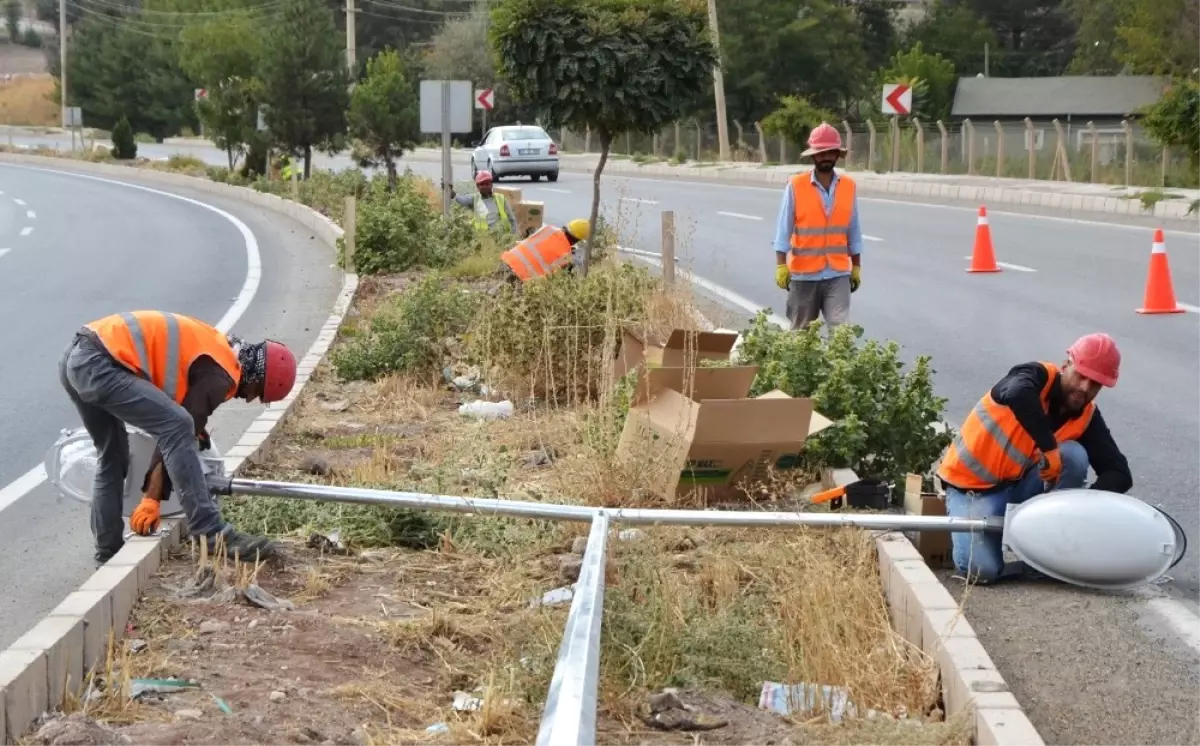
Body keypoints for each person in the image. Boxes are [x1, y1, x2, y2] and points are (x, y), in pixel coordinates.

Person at [58, 311, 299, 564]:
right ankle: (210, 532)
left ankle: (107, 555)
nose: (250, 398)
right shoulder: (221, 374)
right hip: (99, 363)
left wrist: (193, 427)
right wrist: (152, 497)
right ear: (257, 375)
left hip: (76, 357)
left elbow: (177, 415)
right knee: (178, 425)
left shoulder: (220, 348)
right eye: (258, 393)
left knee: (113, 455)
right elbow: (177, 427)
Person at [937, 333, 1132, 584]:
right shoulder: (1033, 376)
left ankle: (1043, 554)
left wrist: (1084, 510)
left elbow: (1119, 473)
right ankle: (997, 541)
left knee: (1073, 456)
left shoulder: (1086, 416)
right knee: (981, 571)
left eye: (1095, 383)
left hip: (1020, 492)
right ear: (1066, 366)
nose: (1085, 388)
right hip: (971, 489)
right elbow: (1018, 394)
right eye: (1081, 376)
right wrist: (1049, 448)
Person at [773, 122, 863, 331]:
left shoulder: (848, 186)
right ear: (813, 155)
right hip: (804, 275)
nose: (826, 157)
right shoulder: (796, 186)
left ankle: (837, 365)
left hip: (837, 274)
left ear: (837, 155)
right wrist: (781, 265)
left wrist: (856, 266)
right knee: (801, 335)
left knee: (841, 333)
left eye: (830, 152)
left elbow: (854, 231)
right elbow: (783, 230)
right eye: (821, 153)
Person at [499, 218, 591, 283]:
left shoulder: (548, 229)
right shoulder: (566, 254)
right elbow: (557, 279)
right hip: (521, 277)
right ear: (577, 240)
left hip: (507, 261)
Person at [455, 170, 517, 234]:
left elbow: (512, 219)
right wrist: (451, 193)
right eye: (482, 184)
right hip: (482, 237)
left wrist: (513, 236)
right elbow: (462, 200)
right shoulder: (474, 199)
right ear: (477, 186)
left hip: (499, 235)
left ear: (491, 185)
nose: (485, 186)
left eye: (487, 183)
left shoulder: (500, 198)